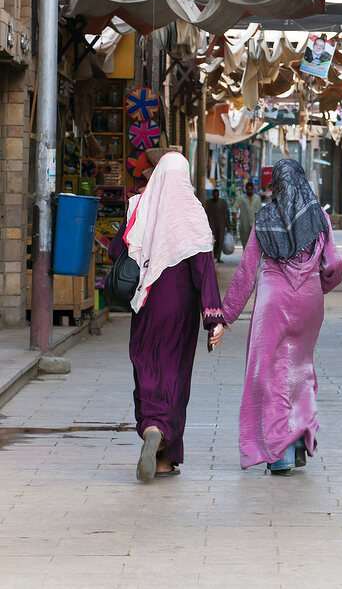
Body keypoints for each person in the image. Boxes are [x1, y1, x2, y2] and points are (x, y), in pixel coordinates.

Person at [221, 158, 342, 475]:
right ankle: (300, 436)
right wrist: (321, 286)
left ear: (275, 186)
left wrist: (224, 315)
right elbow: (334, 262)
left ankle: (281, 454)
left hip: (272, 303)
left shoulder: (265, 219)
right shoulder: (320, 217)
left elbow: (247, 273)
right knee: (300, 369)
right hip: (309, 302)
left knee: (272, 375)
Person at [107, 152, 226, 482]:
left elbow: (116, 251)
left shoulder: (140, 206)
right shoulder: (192, 214)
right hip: (180, 309)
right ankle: (164, 452)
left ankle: (151, 427)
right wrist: (213, 318)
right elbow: (204, 270)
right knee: (174, 374)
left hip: (146, 305)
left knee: (147, 366)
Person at [204, 188, 231, 262]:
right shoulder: (208, 202)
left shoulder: (222, 202)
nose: (216, 196)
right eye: (214, 195)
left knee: (220, 241)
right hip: (211, 225)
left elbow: (226, 213)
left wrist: (228, 224)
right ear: (212, 195)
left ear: (219, 194)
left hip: (221, 225)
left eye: (217, 194)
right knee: (212, 241)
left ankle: (218, 257)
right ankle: (212, 257)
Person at [235, 181, 262, 248]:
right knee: (245, 241)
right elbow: (235, 207)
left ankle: (253, 257)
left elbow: (260, 211)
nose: (249, 191)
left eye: (251, 189)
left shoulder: (257, 199)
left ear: (253, 189)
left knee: (255, 242)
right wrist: (234, 215)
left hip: (255, 223)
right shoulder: (241, 198)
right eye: (248, 189)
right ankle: (245, 256)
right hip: (244, 223)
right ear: (246, 189)